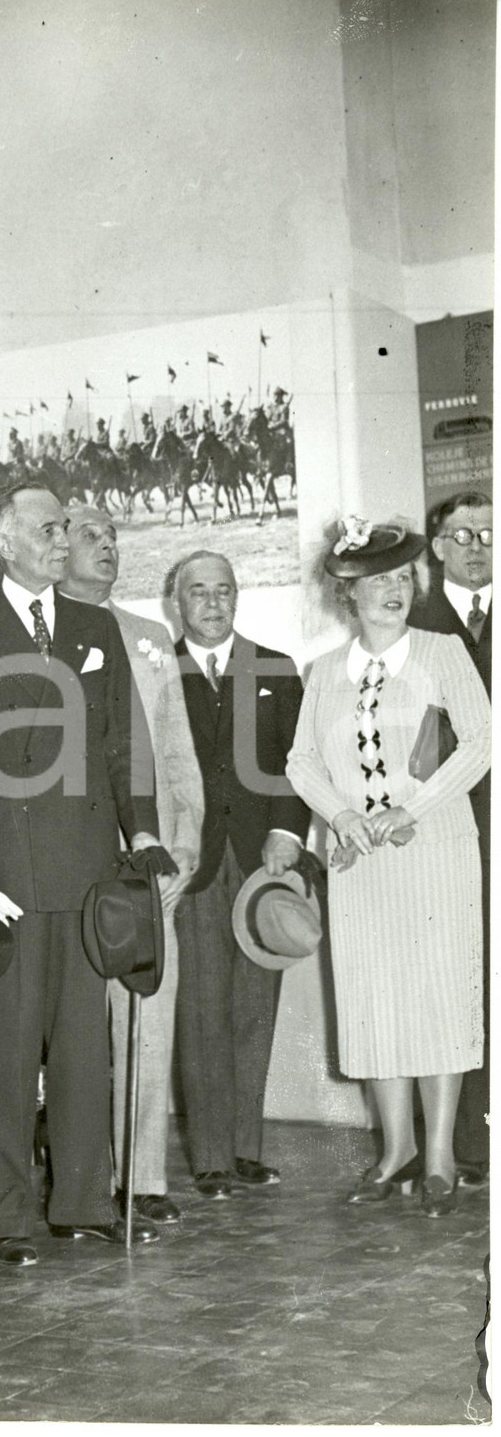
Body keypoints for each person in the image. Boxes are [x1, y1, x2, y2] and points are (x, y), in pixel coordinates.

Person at [0, 481, 163, 1267]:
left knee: (84, 1044)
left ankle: (82, 1200)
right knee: (4, 1048)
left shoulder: (91, 625)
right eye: (46, 527)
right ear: (2, 541)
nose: (60, 537)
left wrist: (139, 831)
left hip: (85, 869)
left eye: (64, 526)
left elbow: (123, 744)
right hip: (3, 867)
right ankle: (7, 1217)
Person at [287, 520, 491, 1217]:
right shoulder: (324, 672)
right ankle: (396, 1150)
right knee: (377, 1001)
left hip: (433, 852)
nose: (393, 591)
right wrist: (342, 817)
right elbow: (300, 761)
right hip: (359, 862)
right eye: (377, 580)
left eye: (403, 577)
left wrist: (416, 807)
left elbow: (484, 740)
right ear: (348, 593)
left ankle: (438, 1157)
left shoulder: (442, 652)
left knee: (436, 996)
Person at [59, 505, 203, 1226]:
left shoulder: (147, 638)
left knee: (148, 1016)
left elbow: (176, 751)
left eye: (114, 538)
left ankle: (143, 1179)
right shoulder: (39, 632)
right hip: (71, 864)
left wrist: (188, 844)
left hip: (149, 867)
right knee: (77, 1028)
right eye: (92, 536)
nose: (108, 547)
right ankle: (85, 1182)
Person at [169, 551, 309, 1200]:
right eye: (199, 592)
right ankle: (211, 1159)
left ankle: (246, 1149)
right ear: (178, 601)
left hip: (262, 865)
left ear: (237, 596)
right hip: (192, 865)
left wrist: (286, 833)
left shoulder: (276, 669)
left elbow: (297, 762)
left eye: (223, 590)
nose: (213, 602)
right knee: (199, 1011)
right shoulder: (155, 672)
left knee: (256, 1009)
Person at [409, 492, 491, 1186]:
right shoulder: (411, 625)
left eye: (489, 534)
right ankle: (466, 1148)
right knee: (457, 982)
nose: (477, 545)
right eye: (462, 534)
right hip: (446, 830)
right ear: (436, 548)